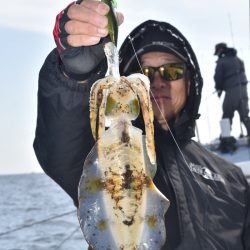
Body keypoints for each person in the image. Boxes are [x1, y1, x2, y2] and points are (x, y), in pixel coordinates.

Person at [34, 1, 250, 249]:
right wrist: (74, 76)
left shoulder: (233, 179)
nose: (157, 82)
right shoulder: (101, 153)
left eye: (172, 71)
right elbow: (62, 148)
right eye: (144, 72)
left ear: (190, 82)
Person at [214, 42, 250, 141]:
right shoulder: (237, 59)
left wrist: (219, 88)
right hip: (243, 89)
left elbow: (218, 77)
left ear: (221, 50)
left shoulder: (222, 61)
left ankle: (225, 138)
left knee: (227, 112)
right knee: (244, 114)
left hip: (232, 90)